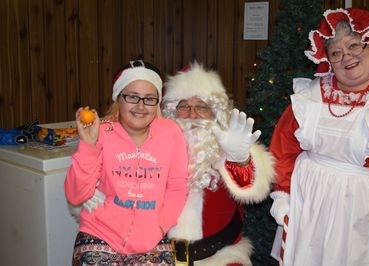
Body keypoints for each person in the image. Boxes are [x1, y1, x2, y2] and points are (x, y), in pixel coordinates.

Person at [268, 8, 369, 266]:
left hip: (364, 214)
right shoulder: (311, 95)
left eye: (354, 45)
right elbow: (283, 149)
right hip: (308, 206)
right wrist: (282, 196)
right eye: (335, 52)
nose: (346, 56)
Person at [64, 59, 188, 265]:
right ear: (118, 99)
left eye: (149, 98)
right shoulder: (102, 132)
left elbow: (177, 187)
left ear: (157, 102)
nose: (141, 106)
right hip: (100, 234)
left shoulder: (171, 133)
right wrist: (88, 145)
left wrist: (161, 225)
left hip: (153, 237)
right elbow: (75, 195)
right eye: (132, 96)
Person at [161, 62, 275, 265]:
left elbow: (252, 189)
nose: (193, 114)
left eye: (202, 107)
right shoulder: (156, 148)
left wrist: (240, 159)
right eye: (184, 106)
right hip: (161, 256)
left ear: (215, 112)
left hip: (220, 256)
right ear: (172, 112)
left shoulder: (230, 146)